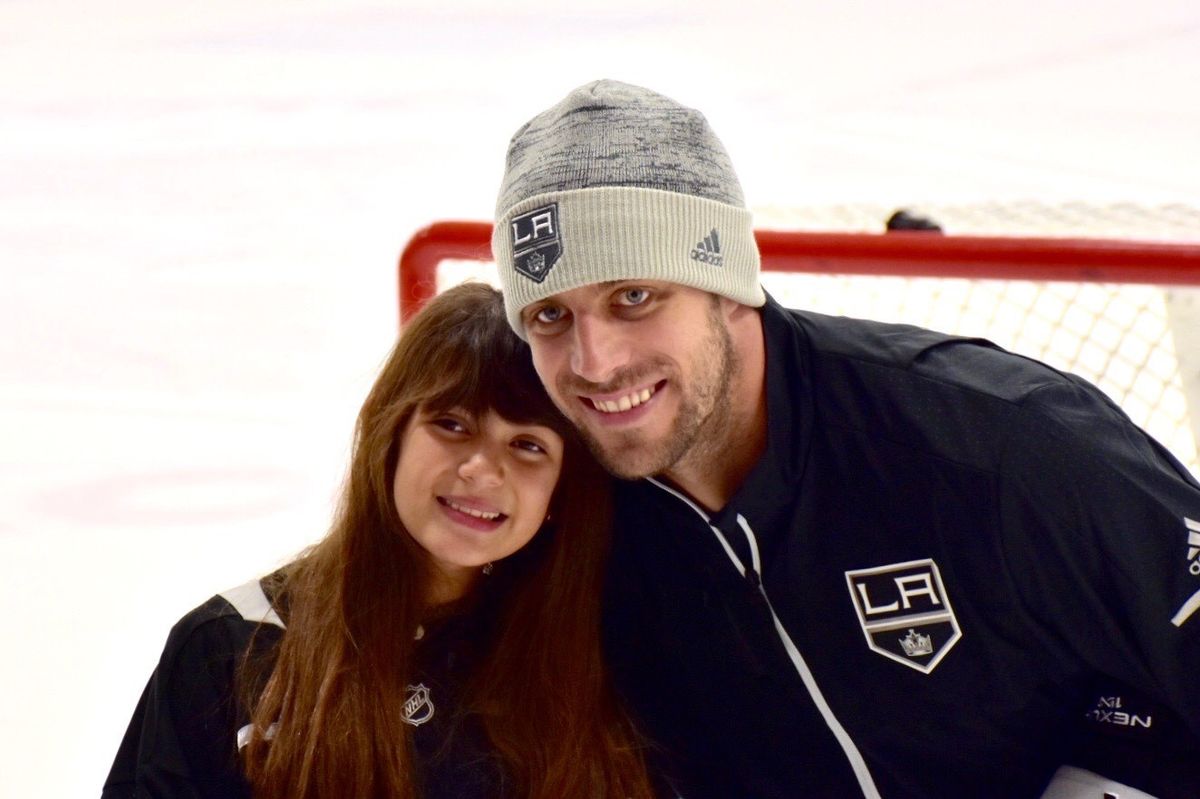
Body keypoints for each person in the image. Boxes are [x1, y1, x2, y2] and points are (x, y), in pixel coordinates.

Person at [490, 80, 1200, 798]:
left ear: (725, 281)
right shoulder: (568, 520)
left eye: (633, 297)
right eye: (549, 315)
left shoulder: (993, 444)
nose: (594, 362)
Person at [102, 283, 657, 799]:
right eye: (453, 425)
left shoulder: (604, 659)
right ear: (389, 433)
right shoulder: (232, 646)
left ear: (562, 491)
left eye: (529, 446)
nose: (482, 471)